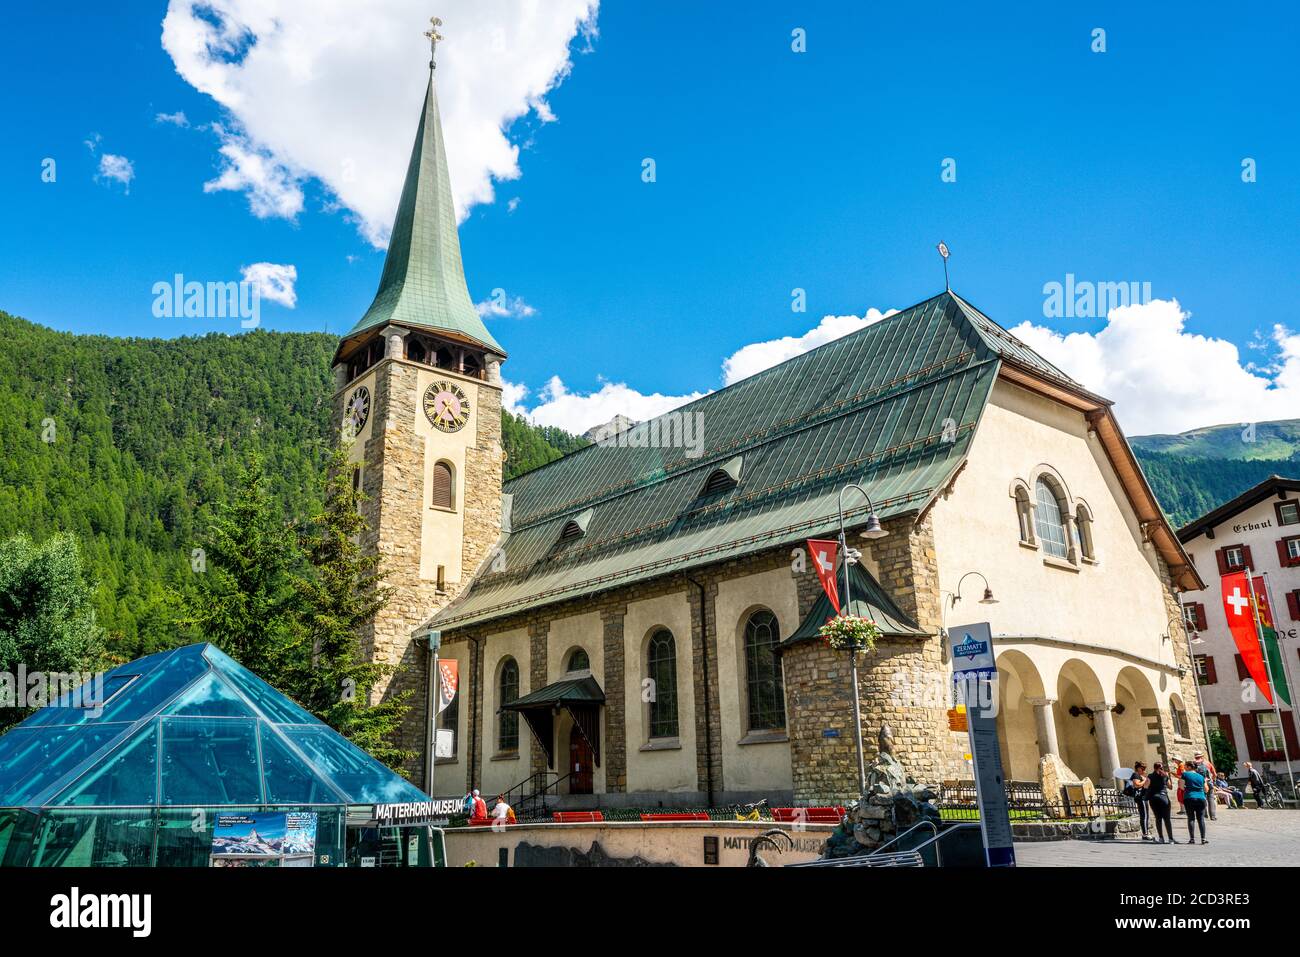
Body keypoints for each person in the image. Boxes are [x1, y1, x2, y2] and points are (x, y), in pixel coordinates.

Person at [1146, 762, 1176, 843]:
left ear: (1154, 768)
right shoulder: (1165, 775)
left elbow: (1146, 786)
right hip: (1164, 797)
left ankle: (1161, 838)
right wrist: (1167, 778)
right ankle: (1170, 839)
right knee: (1167, 819)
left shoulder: (1150, 776)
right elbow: (1170, 787)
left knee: (1158, 818)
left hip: (1153, 798)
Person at [1181, 761, 1209, 844]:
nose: (1184, 767)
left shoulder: (1185, 774)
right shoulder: (1201, 776)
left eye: (1185, 766)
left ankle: (1192, 839)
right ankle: (1203, 838)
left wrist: (1187, 788)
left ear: (1189, 767)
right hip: (1201, 798)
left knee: (1191, 818)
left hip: (1189, 797)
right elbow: (1206, 789)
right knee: (1201, 819)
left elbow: (1181, 786)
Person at [1129, 762, 1152, 840]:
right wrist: (1145, 781)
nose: (1144, 770)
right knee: (1144, 816)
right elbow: (1136, 784)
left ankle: (1146, 832)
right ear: (1138, 768)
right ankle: (1145, 834)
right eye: (1143, 769)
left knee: (1145, 815)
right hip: (1140, 797)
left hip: (1143, 797)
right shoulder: (1136, 775)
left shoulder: (1140, 775)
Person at [1194, 751, 1217, 821]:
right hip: (1209, 783)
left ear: (1195, 757)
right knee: (1211, 799)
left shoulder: (1194, 764)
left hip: (1200, 783)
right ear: (1202, 756)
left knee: (1202, 799)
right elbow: (1214, 774)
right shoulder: (1208, 763)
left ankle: (1204, 814)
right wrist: (1212, 781)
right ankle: (1213, 816)